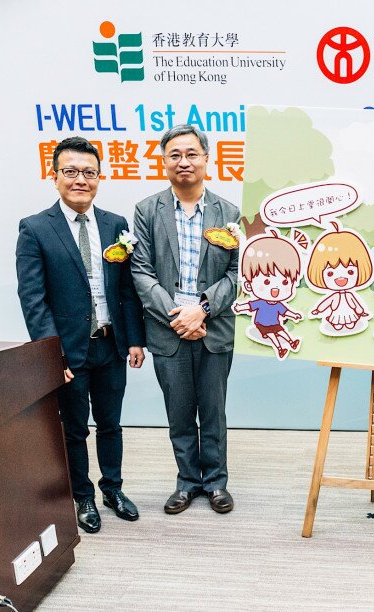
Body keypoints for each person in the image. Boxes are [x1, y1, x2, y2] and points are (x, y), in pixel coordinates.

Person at [17, 136, 145, 533]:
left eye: (89, 172)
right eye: (70, 172)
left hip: (110, 344)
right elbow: (33, 299)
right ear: (54, 176)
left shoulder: (115, 224)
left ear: (99, 177)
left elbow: (126, 290)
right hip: (69, 353)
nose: (80, 180)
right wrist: (52, 354)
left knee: (111, 424)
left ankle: (113, 488)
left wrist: (135, 338)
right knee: (74, 428)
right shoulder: (35, 228)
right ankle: (83, 497)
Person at [131, 124, 239, 515]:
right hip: (169, 329)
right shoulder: (147, 211)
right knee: (178, 413)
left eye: (192, 153)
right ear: (164, 162)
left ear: (207, 159)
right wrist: (178, 315)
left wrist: (203, 308)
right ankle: (187, 481)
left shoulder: (229, 213)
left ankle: (215, 483)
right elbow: (140, 271)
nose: (184, 161)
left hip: (213, 328)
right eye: (175, 155)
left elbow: (236, 274)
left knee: (213, 412)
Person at [233, 230, 304, 359]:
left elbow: (286, 312)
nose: (275, 289)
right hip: (262, 324)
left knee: (281, 331)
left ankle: (291, 342)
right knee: (272, 335)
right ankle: (279, 348)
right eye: (266, 281)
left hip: (275, 323)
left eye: (284, 281)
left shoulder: (278, 304)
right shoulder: (260, 302)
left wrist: (294, 315)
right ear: (249, 284)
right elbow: (248, 306)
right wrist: (239, 308)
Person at [306, 224, 372, 335]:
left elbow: (356, 305)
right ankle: (338, 324)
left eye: (350, 271)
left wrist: (362, 312)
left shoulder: (350, 295)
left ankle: (350, 323)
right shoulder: (333, 296)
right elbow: (326, 303)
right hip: (336, 314)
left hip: (349, 312)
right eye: (330, 273)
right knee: (337, 322)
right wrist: (318, 310)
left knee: (350, 321)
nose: (341, 279)